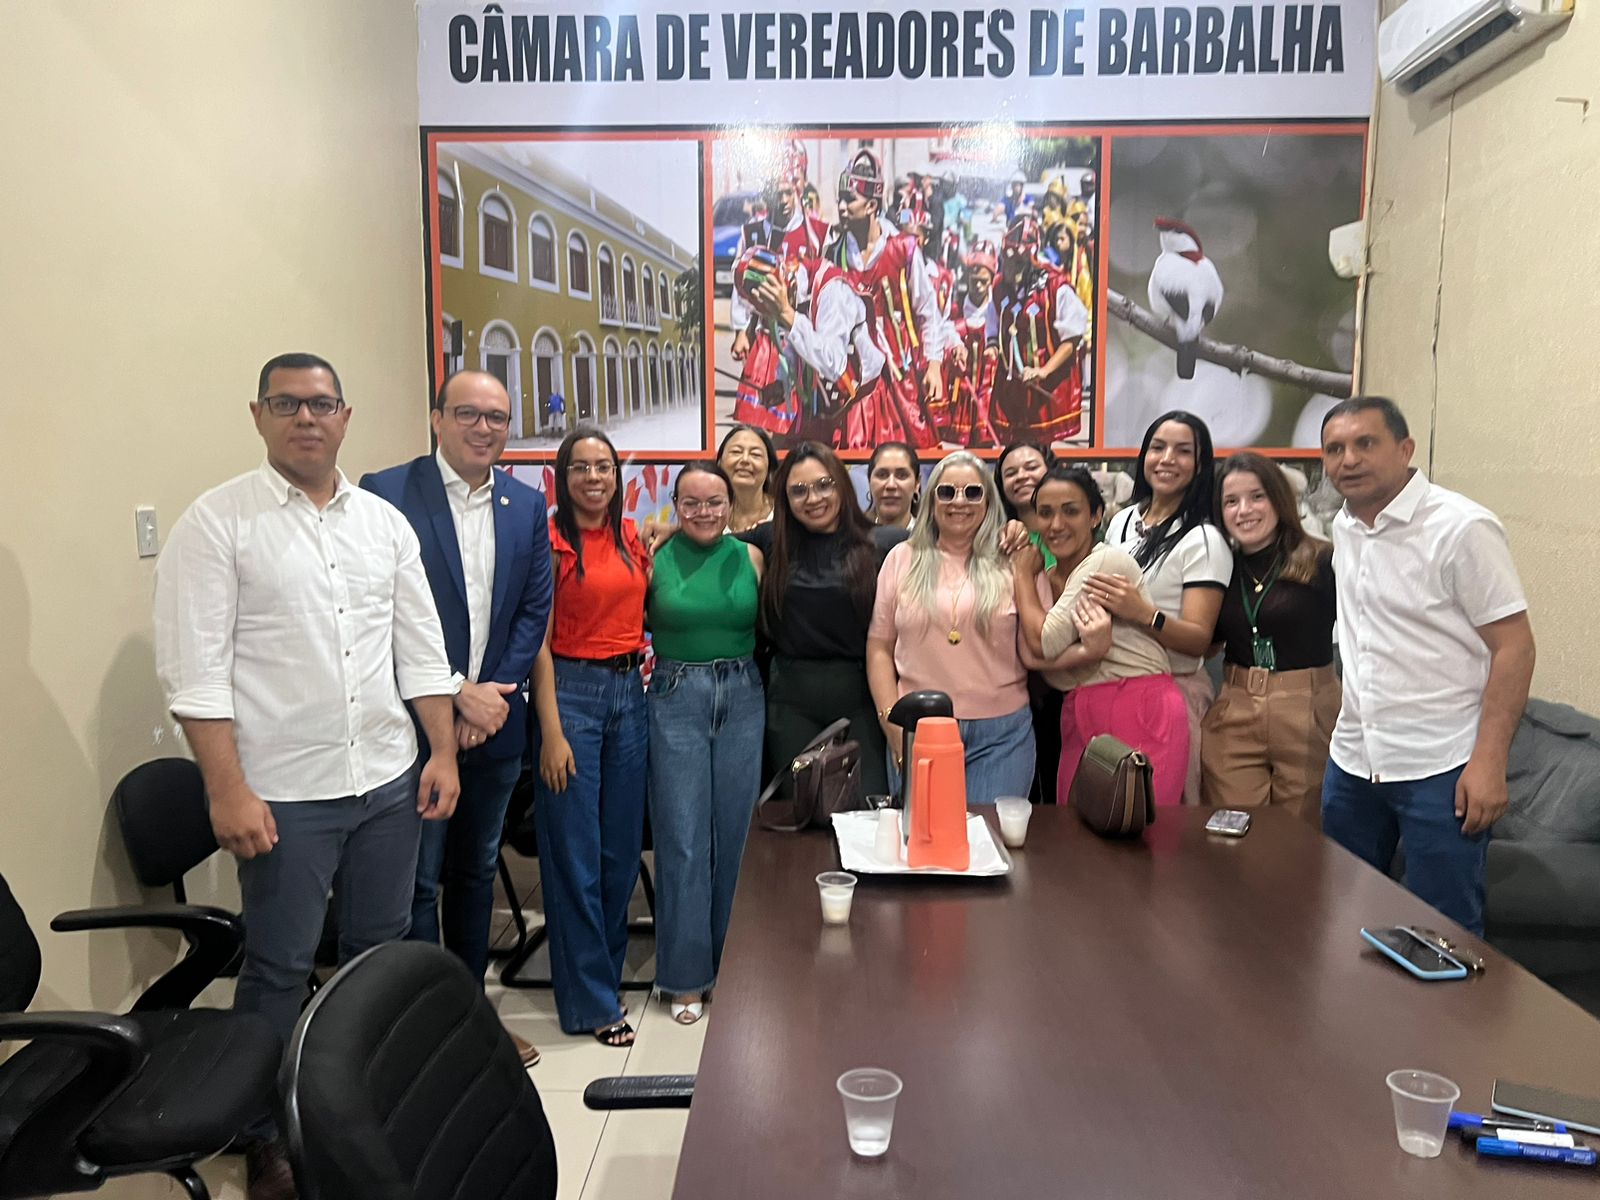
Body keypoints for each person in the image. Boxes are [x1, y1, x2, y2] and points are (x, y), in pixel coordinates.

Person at [154, 352, 462, 1194]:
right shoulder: (219, 524)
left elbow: (420, 649)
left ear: (345, 417)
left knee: (378, 954)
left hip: (388, 781)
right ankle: (262, 1133)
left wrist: (440, 750)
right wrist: (226, 789)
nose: (306, 418)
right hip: (284, 795)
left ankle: (362, 1102)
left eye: (321, 404)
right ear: (258, 415)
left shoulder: (382, 525)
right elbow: (196, 675)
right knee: (279, 967)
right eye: (287, 403)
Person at [359, 370, 552, 1068]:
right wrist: (453, 693)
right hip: (414, 729)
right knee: (416, 882)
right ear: (437, 418)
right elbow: (375, 611)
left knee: (474, 872)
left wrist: (490, 697)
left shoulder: (525, 505)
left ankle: (470, 1016)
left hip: (494, 729)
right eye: (468, 413)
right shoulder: (386, 493)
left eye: (497, 417)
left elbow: (533, 612)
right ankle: (419, 1030)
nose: (483, 428)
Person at [1318, 397, 1534, 935]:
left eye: (1365, 443)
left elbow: (1515, 648)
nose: (1349, 459)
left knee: (1444, 934)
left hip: (1440, 767)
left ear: (1405, 449)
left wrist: (1489, 763)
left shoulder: (1461, 527)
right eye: (1335, 449)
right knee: (1343, 920)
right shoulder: (1344, 525)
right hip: (1354, 760)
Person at [531, 428, 649, 1047]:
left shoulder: (632, 536)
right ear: (563, 475)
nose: (594, 477)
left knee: (620, 854)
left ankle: (603, 974)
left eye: (604, 466)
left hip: (631, 694)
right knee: (575, 855)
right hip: (571, 696)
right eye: (581, 467)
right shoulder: (551, 540)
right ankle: (591, 1003)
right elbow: (539, 644)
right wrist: (551, 731)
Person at [648, 463, 766, 1025]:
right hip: (676, 694)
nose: (703, 512)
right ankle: (686, 976)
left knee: (738, 836)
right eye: (690, 503)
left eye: (714, 502)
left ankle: (735, 968)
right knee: (684, 838)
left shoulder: (751, 556)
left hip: (743, 693)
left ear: (730, 505)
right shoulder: (654, 555)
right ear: (675, 506)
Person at [1012, 467, 1189, 807]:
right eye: (1045, 513)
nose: (1056, 524)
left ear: (1095, 516)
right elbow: (1034, 659)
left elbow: (1043, 644)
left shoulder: (1105, 562)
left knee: (1139, 825)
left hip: (1139, 704)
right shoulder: (1047, 577)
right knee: (1072, 826)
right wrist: (1083, 653)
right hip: (1079, 709)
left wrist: (1021, 574)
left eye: (1071, 511)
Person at [742, 442, 906, 802]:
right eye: (798, 490)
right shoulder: (771, 539)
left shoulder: (888, 543)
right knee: (801, 811)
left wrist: (1010, 533)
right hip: (791, 701)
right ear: (785, 498)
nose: (813, 498)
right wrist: (667, 533)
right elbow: (710, 541)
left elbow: (956, 546)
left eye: (823, 484)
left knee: (869, 810)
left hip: (863, 697)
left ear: (842, 485)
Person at [868, 452, 1034, 805]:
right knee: (922, 837)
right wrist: (891, 723)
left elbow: (1039, 640)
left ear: (988, 501)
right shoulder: (901, 558)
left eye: (973, 492)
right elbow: (879, 647)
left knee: (990, 837)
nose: (959, 501)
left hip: (1001, 737)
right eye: (947, 492)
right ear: (931, 501)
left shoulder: (1014, 558)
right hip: (918, 728)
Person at [1098, 411, 1232, 804]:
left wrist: (1142, 613)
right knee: (1111, 808)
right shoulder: (1122, 521)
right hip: (1114, 686)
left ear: (1201, 464)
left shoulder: (1204, 538)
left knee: (1165, 812)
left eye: (1183, 451)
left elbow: (1199, 640)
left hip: (1173, 692)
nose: (1167, 459)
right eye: (1158, 447)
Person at [1199, 453, 1339, 825]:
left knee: (1301, 835)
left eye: (1257, 496)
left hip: (1308, 708)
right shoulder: (1220, 566)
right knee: (1232, 832)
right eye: (1231, 501)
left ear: (1279, 499)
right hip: (1236, 706)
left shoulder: (1321, 559)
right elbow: (1206, 641)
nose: (1244, 510)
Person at [825, 148, 948, 449]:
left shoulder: (903, 249)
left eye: (849, 199)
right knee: (854, 453)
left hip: (899, 374)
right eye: (840, 199)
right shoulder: (834, 254)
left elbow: (927, 311)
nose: (841, 207)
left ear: (871, 205)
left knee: (906, 453)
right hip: (855, 375)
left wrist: (934, 364)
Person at [718, 423, 777, 532]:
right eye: (736, 452)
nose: (745, 459)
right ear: (720, 462)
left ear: (769, 466)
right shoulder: (710, 516)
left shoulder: (783, 514)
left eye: (755, 454)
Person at [866, 441, 920, 530]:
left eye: (902, 475)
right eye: (882, 475)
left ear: (917, 484)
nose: (891, 485)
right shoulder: (853, 536)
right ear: (869, 480)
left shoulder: (932, 537)